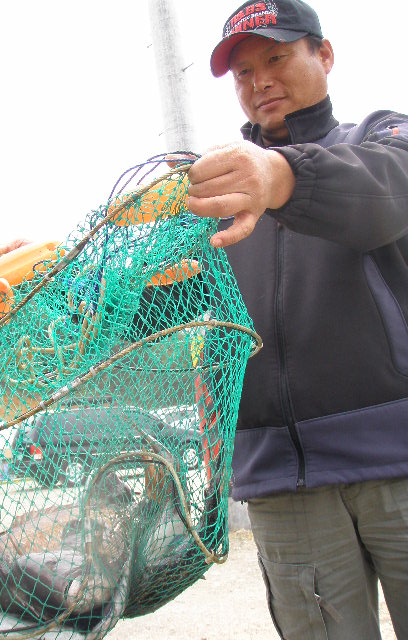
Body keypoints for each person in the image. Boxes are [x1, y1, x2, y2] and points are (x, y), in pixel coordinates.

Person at [184, 1, 408, 638]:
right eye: (243, 72)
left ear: (325, 54)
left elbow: (389, 191)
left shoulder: (381, 138)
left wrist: (278, 177)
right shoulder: (213, 201)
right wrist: (50, 281)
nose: (260, 82)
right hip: (281, 483)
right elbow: (156, 304)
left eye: (276, 57)